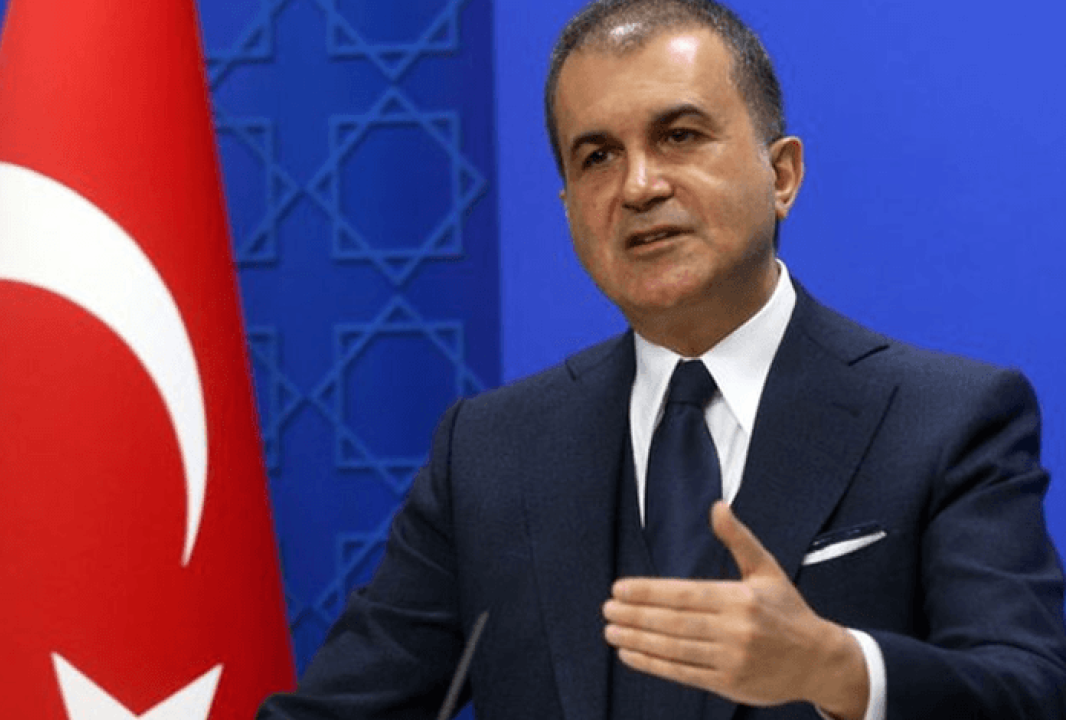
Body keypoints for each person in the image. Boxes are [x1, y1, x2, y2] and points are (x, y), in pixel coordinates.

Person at [257, 0, 1066, 717]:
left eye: (679, 136)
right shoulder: (490, 453)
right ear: (570, 209)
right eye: (597, 156)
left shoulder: (945, 420)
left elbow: (1030, 691)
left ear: (781, 175)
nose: (639, 185)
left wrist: (841, 670)